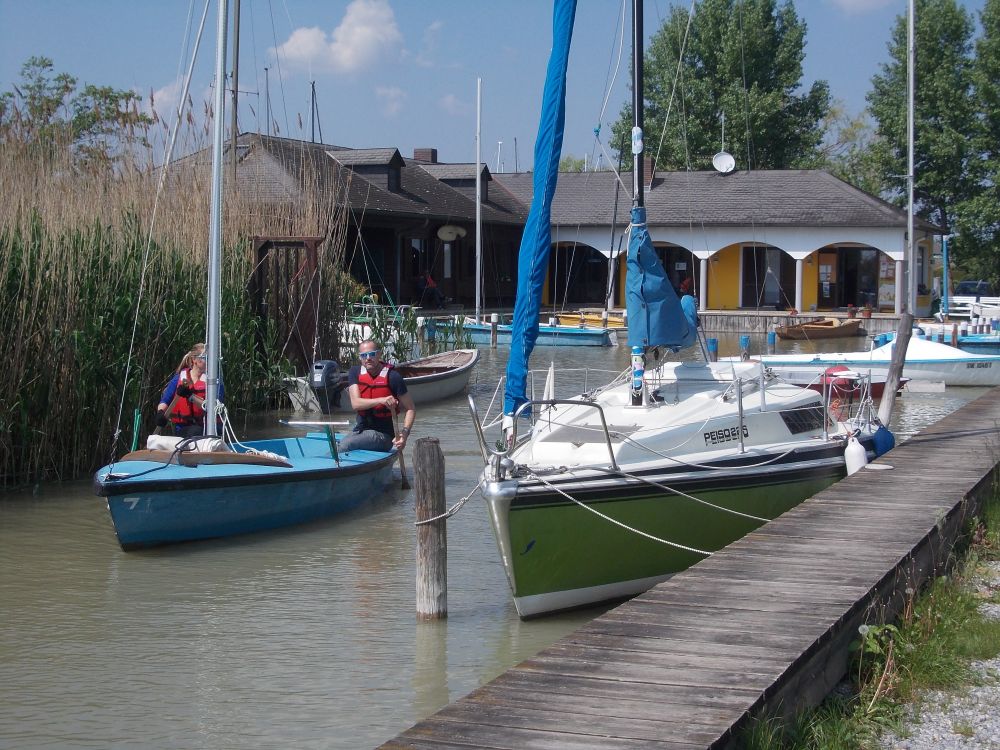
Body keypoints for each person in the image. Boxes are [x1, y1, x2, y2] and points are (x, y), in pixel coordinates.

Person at [340, 340, 416, 453]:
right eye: (363, 355)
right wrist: (381, 400)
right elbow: (356, 404)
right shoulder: (355, 372)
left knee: (346, 444)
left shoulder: (393, 377)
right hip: (361, 430)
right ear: (360, 357)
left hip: (384, 436)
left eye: (372, 354)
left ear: (379, 354)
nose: (368, 358)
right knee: (337, 444)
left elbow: (411, 409)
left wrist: (404, 435)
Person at [155, 343, 225, 439]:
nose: (209, 361)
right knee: (195, 431)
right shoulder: (179, 378)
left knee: (197, 431)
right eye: (205, 358)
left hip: (211, 429)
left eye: (211, 358)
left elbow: (213, 407)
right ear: (194, 359)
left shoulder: (214, 382)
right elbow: (165, 401)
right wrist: (160, 413)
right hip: (184, 429)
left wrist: (190, 396)